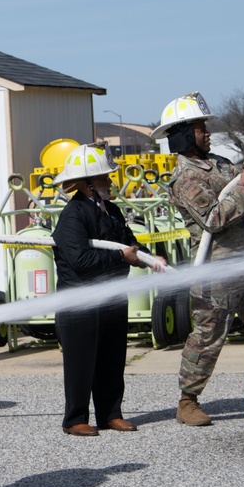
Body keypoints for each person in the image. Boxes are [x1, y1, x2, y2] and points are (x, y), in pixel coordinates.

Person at [150, 91, 244, 426]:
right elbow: (213, 219)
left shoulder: (218, 164)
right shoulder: (185, 178)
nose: (208, 133)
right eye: (201, 128)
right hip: (215, 267)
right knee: (208, 335)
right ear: (185, 134)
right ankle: (188, 401)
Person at [51, 143, 165, 436]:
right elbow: (80, 260)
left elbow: (128, 243)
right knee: (81, 362)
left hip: (112, 297)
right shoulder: (73, 216)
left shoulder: (111, 210)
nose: (110, 182)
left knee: (112, 358)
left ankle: (110, 414)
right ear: (88, 184)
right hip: (80, 301)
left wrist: (149, 258)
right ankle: (75, 418)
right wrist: (120, 257)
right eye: (104, 178)